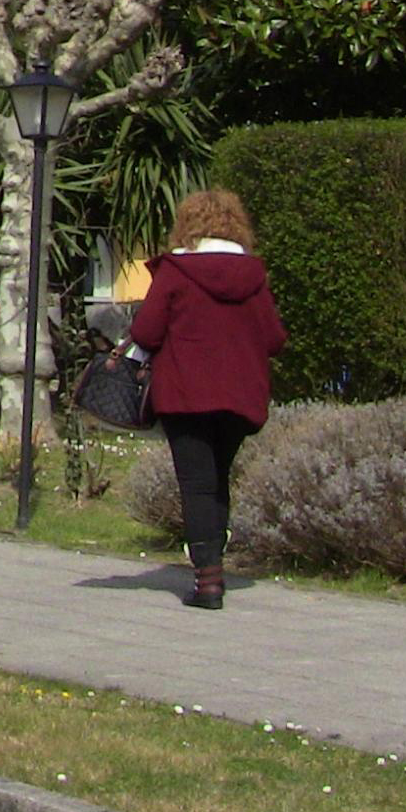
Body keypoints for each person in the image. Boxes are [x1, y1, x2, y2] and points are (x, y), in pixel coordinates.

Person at [126, 188, 287, 610]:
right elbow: (274, 338)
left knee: (196, 485)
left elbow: (145, 333)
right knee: (217, 481)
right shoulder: (254, 275)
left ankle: (208, 580)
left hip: (185, 392)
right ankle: (213, 564)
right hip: (240, 395)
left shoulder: (176, 272)